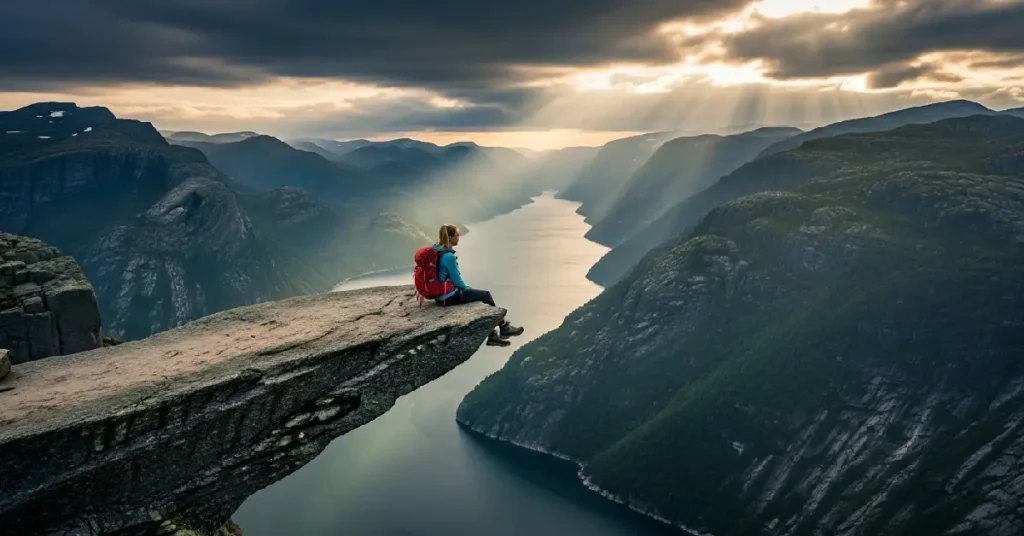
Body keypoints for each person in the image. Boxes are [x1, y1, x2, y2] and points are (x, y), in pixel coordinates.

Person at [433, 224, 524, 347]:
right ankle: (503, 328)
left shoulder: (437, 249)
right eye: (457, 235)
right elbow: (457, 281)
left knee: (480, 296)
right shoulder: (448, 257)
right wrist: (468, 289)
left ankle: (494, 334)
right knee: (485, 295)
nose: (459, 238)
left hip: (440, 295)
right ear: (450, 237)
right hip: (449, 296)